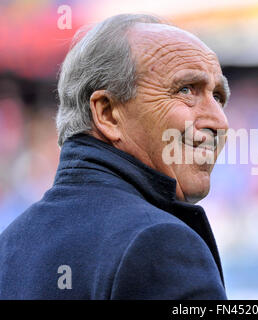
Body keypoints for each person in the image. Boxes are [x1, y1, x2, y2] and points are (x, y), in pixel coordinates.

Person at [0, 13, 230, 299]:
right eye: (186, 90)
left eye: (218, 97)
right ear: (107, 113)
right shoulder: (159, 243)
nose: (220, 122)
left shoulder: (10, 245)